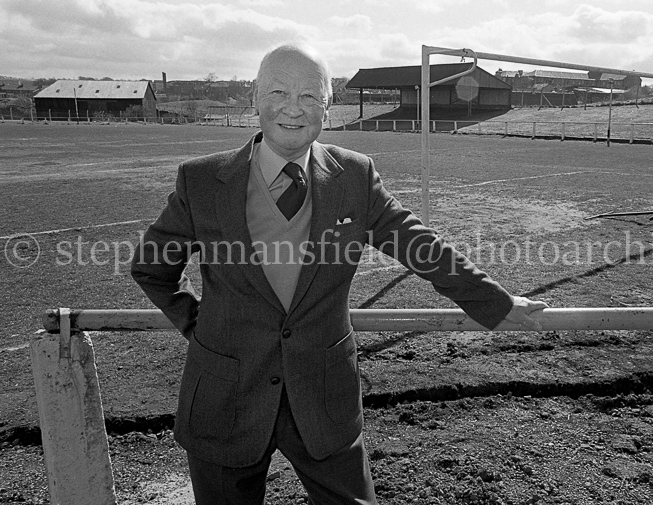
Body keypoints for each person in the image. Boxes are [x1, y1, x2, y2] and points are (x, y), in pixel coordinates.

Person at [131, 44, 547, 505]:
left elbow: (420, 246)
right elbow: (152, 268)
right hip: (225, 397)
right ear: (255, 98)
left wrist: (495, 302)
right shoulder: (202, 181)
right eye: (279, 92)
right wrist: (199, 324)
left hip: (323, 396)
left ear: (327, 107)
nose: (293, 108)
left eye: (310, 96)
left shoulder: (354, 176)